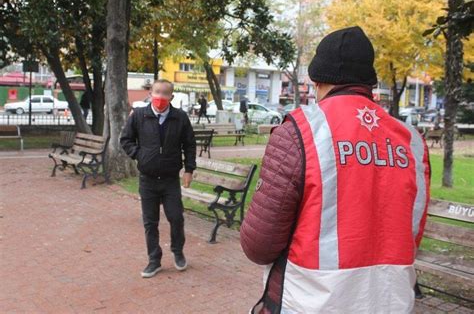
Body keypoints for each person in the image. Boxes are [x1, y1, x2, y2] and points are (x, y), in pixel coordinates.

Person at [240, 26, 431, 313]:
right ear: (369, 83)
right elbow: (411, 231)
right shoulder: (412, 140)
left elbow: (259, 244)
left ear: (317, 81)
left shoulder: (301, 130)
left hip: (311, 300)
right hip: (389, 299)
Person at [120, 79, 196, 278]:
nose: (160, 97)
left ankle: (177, 250)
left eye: (165, 93)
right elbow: (125, 140)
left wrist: (189, 169)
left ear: (172, 96)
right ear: (151, 93)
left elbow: (189, 145)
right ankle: (154, 260)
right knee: (150, 222)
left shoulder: (179, 118)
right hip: (148, 179)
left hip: (170, 179)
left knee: (176, 218)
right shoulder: (139, 116)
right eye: (157, 92)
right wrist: (140, 155)